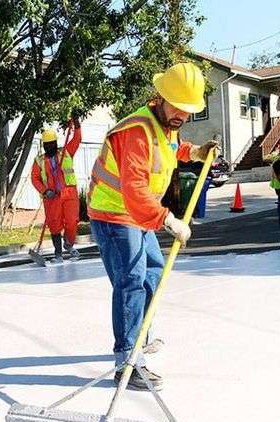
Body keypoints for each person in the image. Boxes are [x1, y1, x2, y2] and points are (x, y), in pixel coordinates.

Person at [87, 62, 218, 391]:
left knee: (153, 272)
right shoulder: (136, 131)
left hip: (138, 214)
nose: (181, 115)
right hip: (114, 213)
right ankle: (127, 362)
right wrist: (169, 220)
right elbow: (135, 191)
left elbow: (171, 149)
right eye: (177, 107)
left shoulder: (166, 125)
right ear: (160, 97)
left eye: (187, 110)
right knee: (131, 282)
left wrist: (195, 152)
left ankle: (139, 335)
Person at [31, 115, 82, 263]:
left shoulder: (66, 152)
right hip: (51, 197)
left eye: (51, 144)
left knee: (72, 221)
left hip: (69, 194)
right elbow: (35, 178)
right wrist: (45, 191)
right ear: (43, 145)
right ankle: (58, 254)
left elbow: (77, 139)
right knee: (54, 225)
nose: (49, 147)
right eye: (46, 145)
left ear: (55, 143)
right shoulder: (39, 160)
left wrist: (77, 125)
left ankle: (69, 244)